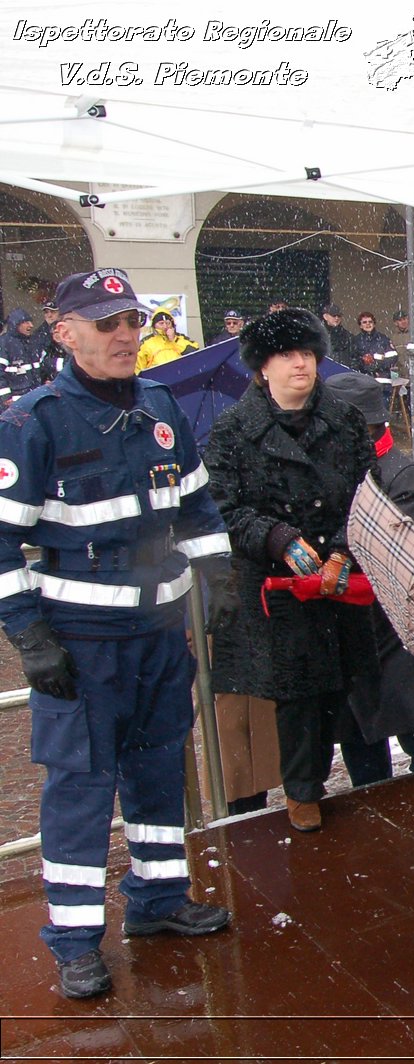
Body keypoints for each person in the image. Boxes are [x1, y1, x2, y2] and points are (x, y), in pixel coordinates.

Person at [0, 268, 237, 999]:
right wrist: (30, 638)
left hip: (161, 637)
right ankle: (74, 939)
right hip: (81, 646)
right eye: (106, 324)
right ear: (64, 332)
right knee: (81, 791)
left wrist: (219, 577)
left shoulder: (160, 406)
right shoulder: (32, 422)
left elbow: (197, 509)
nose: (125, 336)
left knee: (160, 771)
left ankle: (159, 904)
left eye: (132, 321)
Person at [205, 309, 377, 834]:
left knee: (342, 685)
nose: (300, 364)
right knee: (296, 692)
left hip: (341, 578)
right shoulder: (233, 429)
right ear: (263, 368)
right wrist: (277, 538)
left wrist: (343, 551)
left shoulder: (344, 420)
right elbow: (222, 508)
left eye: (306, 353)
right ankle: (302, 789)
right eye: (286, 355)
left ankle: (363, 776)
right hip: (277, 590)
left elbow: (369, 497)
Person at [322, 371, 414, 779]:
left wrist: (335, 550)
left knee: (411, 729)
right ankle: (373, 793)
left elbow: (389, 548)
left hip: (393, 622)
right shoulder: (339, 467)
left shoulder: (401, 473)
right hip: (352, 619)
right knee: (361, 734)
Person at [353, 312, 397, 376]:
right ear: (360, 326)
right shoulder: (356, 341)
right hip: (364, 378)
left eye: (370, 322)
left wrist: (377, 366)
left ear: (374, 324)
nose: (368, 324)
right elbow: (354, 360)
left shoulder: (383, 339)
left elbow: (393, 357)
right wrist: (365, 366)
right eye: (364, 322)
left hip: (383, 378)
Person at [321, 304, 359, 370]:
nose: (336, 318)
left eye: (338, 316)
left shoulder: (348, 336)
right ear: (325, 316)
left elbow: (354, 357)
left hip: (343, 374)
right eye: (333, 315)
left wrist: (350, 370)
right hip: (324, 373)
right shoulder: (317, 335)